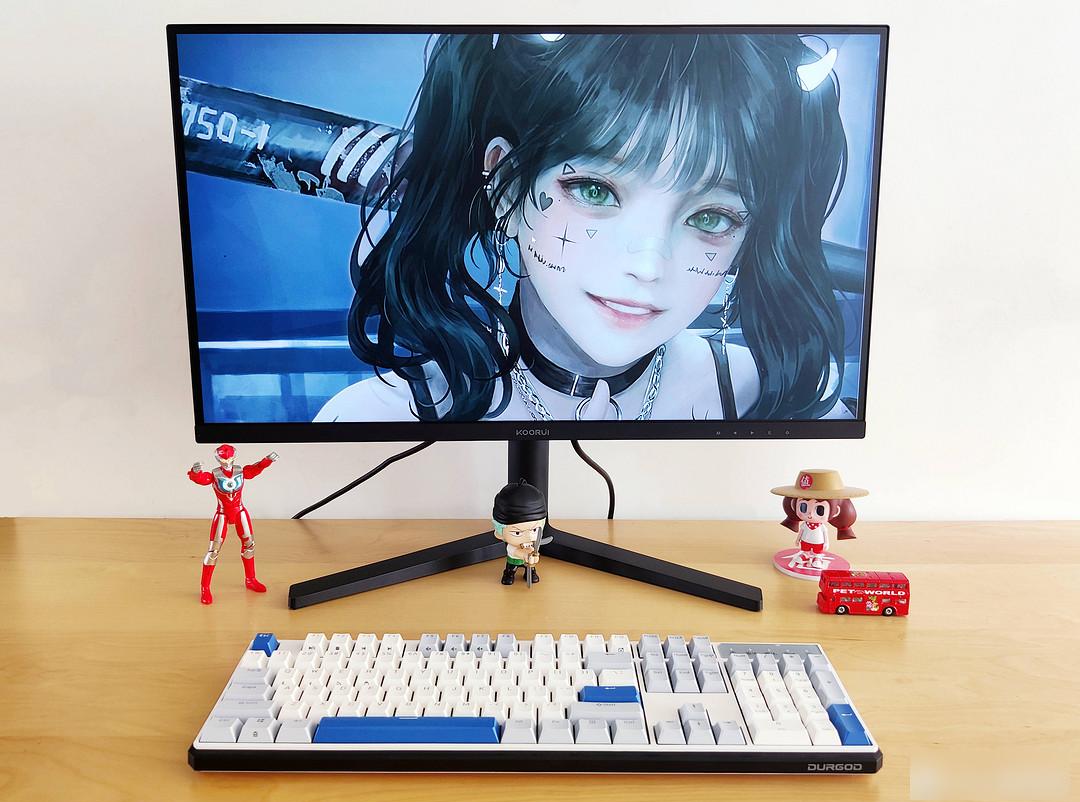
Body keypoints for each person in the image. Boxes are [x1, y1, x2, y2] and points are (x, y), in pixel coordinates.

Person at [315, 32, 851, 423]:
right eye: (595, 190)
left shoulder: (784, 401)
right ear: (505, 187)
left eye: (711, 218)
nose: (647, 265)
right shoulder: (377, 418)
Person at [187, 444, 278, 604]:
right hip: (222, 513)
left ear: (234, 457)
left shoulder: (240, 471)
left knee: (249, 545)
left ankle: (250, 579)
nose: (227, 461)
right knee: (213, 551)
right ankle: (205, 588)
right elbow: (202, 479)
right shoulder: (215, 475)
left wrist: (267, 461)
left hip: (239, 511)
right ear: (218, 459)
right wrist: (195, 473)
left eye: (229, 457)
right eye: (223, 458)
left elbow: (255, 469)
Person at [492, 479, 550, 586]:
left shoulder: (533, 542)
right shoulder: (511, 547)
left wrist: (534, 557)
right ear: (500, 532)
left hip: (527, 561)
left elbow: (534, 551)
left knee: (530, 568)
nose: (529, 537)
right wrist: (525, 555)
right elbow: (515, 552)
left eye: (534, 530)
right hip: (514, 560)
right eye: (517, 533)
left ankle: (530, 573)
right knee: (511, 568)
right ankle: (509, 574)